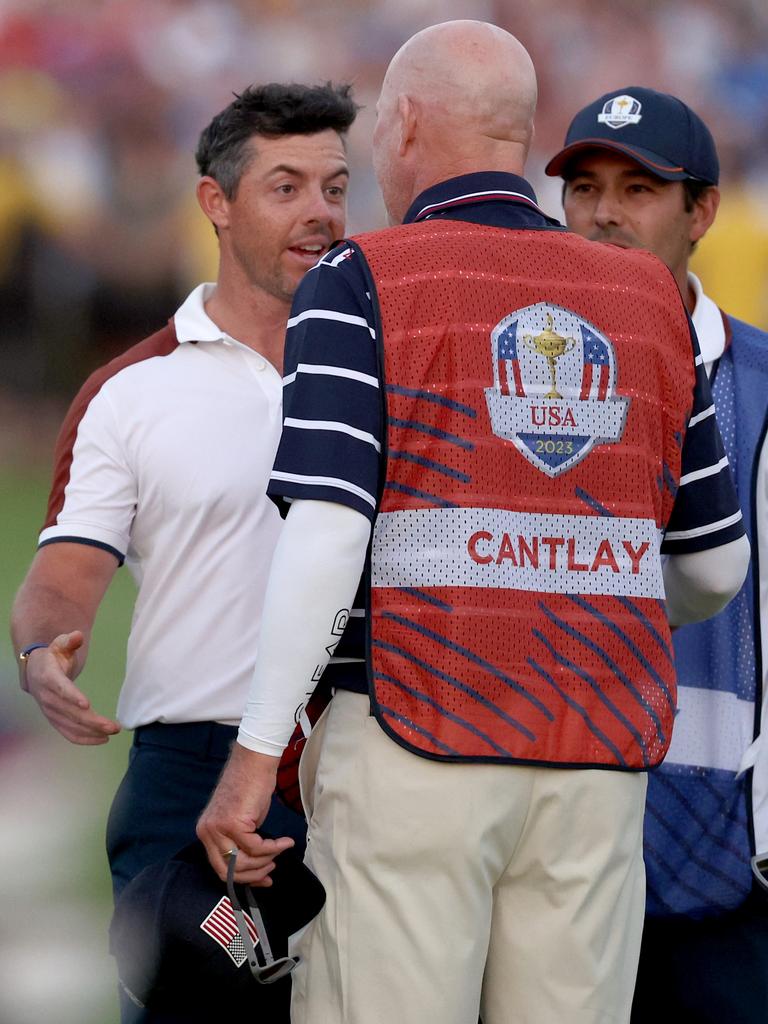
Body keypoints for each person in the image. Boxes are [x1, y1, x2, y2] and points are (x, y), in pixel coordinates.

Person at [198, 24, 750, 1024]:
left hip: (418, 728)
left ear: (405, 124)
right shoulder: (649, 297)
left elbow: (326, 538)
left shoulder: (362, 275)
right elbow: (712, 566)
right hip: (596, 751)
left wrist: (253, 755)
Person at [10, 81, 357, 1023]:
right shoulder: (131, 391)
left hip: (365, 766)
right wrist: (44, 655)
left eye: (335, 186)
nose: (321, 211)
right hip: (190, 775)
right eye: (286, 186)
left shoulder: (395, 367)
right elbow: (61, 583)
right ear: (216, 201)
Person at [546, 86, 768, 1023]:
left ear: (701, 212)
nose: (604, 214)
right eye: (586, 186)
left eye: (639, 189)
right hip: (546, 848)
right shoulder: (511, 371)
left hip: (733, 864)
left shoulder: (763, 387)